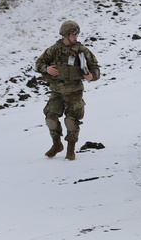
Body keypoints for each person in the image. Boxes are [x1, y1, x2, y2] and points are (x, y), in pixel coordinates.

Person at [35, 20, 100, 160]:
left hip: (74, 92)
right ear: (65, 35)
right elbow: (39, 63)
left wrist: (91, 76)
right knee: (50, 118)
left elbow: (95, 67)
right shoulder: (54, 50)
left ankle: (71, 149)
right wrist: (46, 69)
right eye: (73, 34)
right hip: (56, 91)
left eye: (77, 34)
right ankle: (57, 144)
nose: (76, 37)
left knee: (71, 120)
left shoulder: (82, 51)